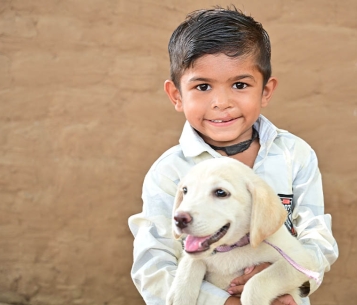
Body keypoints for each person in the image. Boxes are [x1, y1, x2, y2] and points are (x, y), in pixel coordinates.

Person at [128, 6, 338, 305]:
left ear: (266, 91)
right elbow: (154, 264)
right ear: (177, 96)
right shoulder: (170, 172)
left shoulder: (294, 155)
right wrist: (226, 302)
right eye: (202, 86)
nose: (221, 103)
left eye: (240, 85)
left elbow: (318, 241)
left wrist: (285, 277)